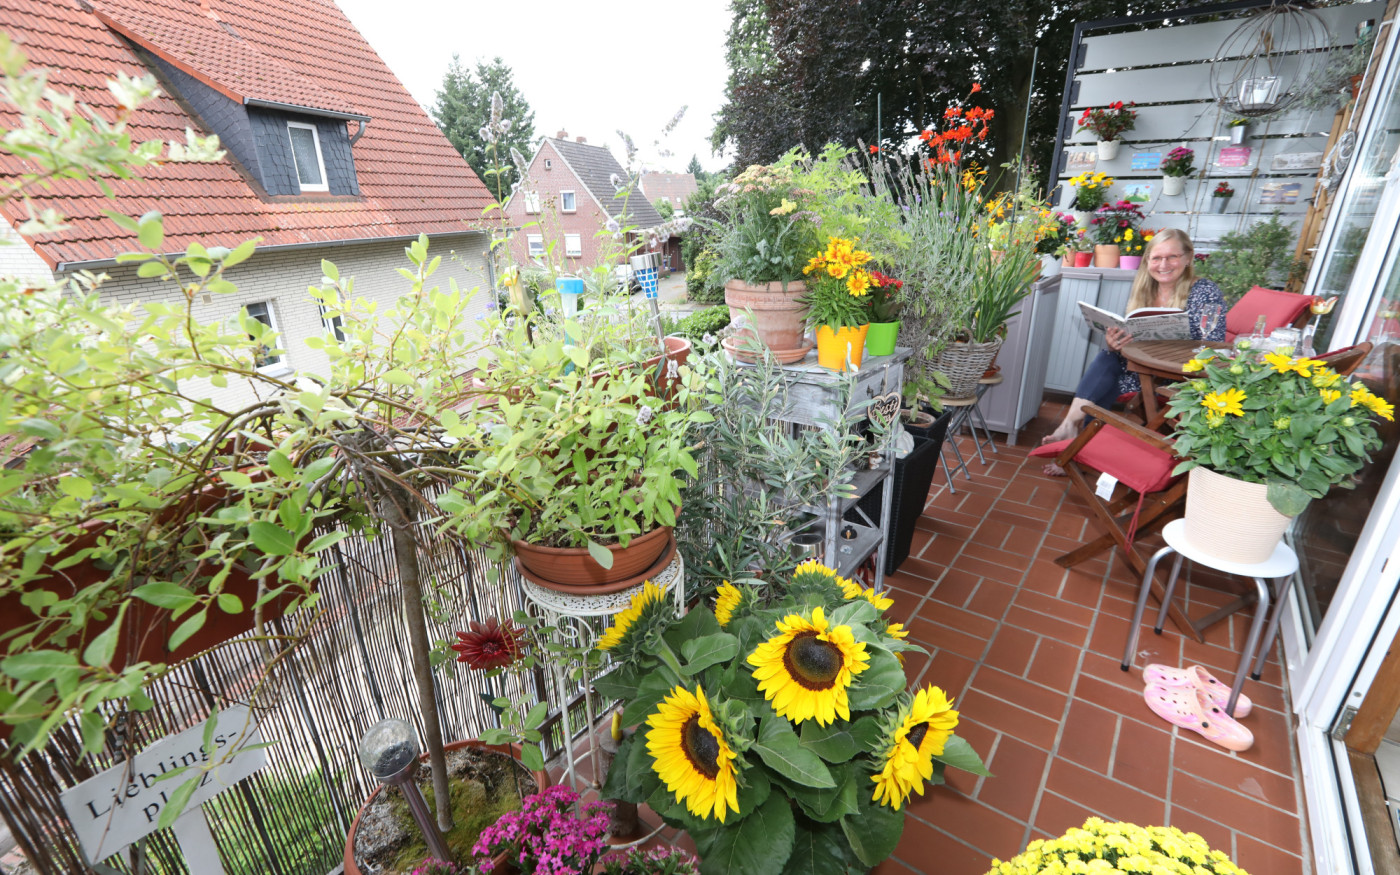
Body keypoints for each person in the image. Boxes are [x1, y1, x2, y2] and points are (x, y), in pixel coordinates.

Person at [1042, 228, 1225, 474]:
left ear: (1188, 258)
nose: (1163, 265)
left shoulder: (1205, 292)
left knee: (1108, 377)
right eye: (1156, 258)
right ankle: (1073, 436)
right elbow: (1133, 336)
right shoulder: (1145, 289)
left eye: (1172, 257)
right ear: (1147, 261)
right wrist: (1116, 340)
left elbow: (1213, 344)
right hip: (1143, 370)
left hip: (1178, 378)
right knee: (1109, 357)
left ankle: (1073, 438)